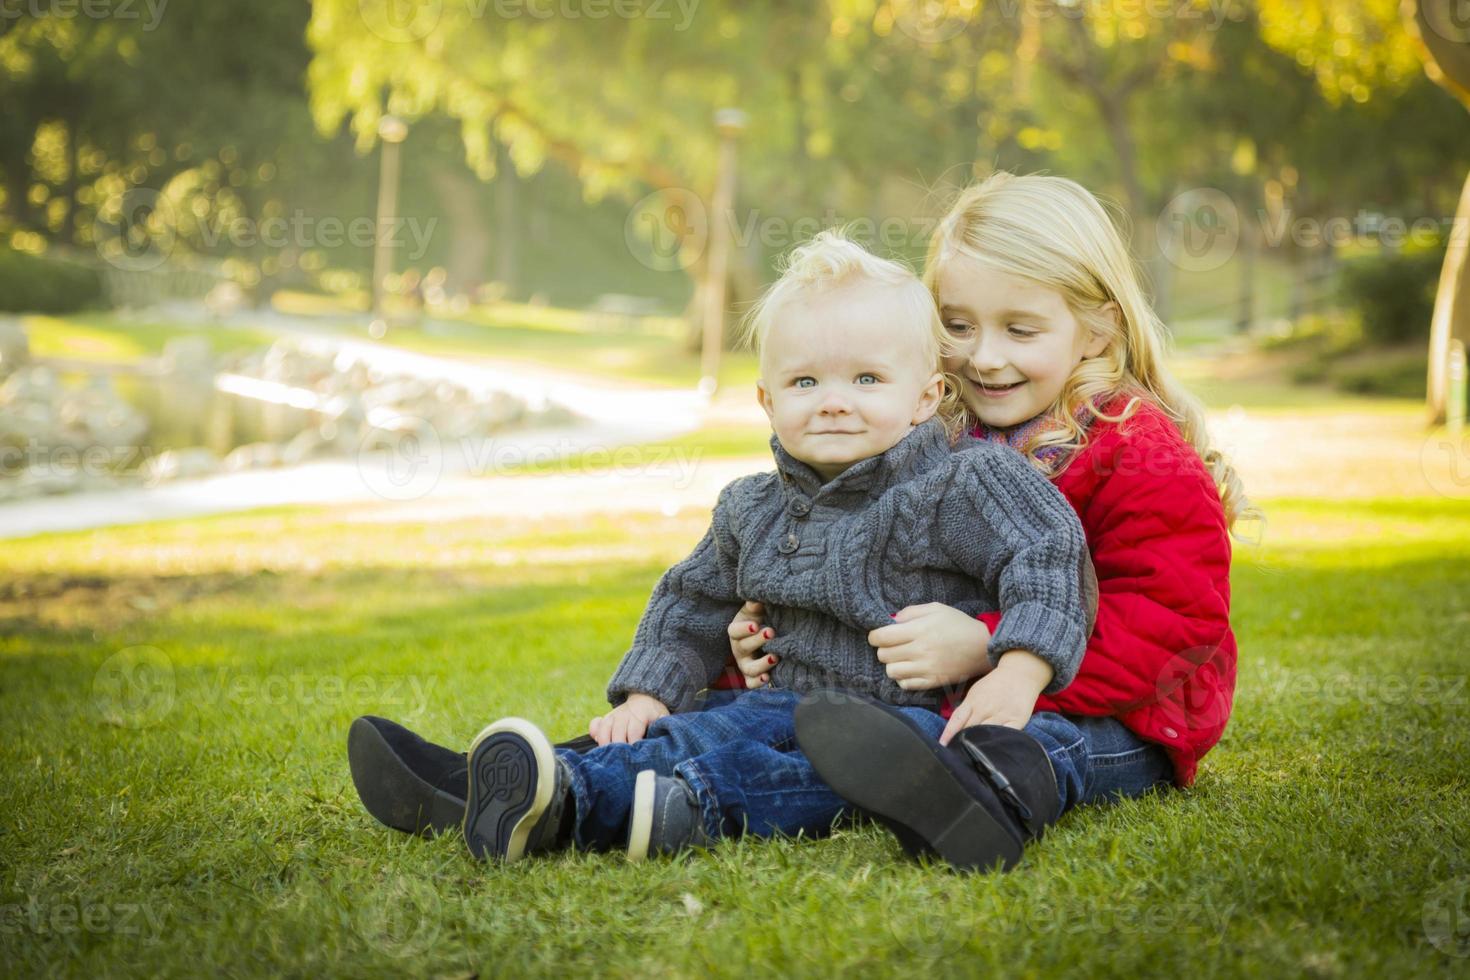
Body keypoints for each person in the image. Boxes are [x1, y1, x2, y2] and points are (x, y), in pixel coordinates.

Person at [350, 230, 1097, 865]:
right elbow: (690, 602)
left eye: (867, 378)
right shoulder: (750, 507)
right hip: (778, 704)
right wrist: (646, 694)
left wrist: (1019, 672)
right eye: (806, 381)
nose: (834, 399)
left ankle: (581, 806)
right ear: (768, 400)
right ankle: (508, 784)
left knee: (766, 766)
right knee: (690, 729)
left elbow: (1049, 554)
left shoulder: (968, 482)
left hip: (910, 729)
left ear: (926, 395)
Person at [737, 172, 1250, 871]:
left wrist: (994, 652)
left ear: (1097, 328)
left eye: (1020, 328)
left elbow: (1171, 620)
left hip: (1124, 714)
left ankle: (979, 803)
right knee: (842, 723)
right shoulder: (934, 434)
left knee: (1041, 743)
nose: (984, 355)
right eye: (957, 326)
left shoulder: (1134, 450)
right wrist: (766, 644)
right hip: (960, 695)